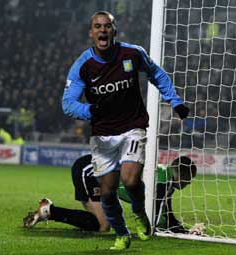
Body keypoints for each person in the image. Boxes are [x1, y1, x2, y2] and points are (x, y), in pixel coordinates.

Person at [61, 11, 190, 250]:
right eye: (98, 27)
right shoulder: (83, 66)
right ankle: (122, 232)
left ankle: (140, 213)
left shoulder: (132, 53)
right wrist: (92, 110)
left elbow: (157, 74)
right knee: (108, 192)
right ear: (91, 33)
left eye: (107, 26)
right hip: (103, 135)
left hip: (133, 127)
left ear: (114, 31)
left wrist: (175, 101)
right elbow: (68, 104)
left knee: (130, 180)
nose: (102, 30)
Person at [23, 155, 204, 234]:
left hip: (95, 172)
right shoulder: (163, 183)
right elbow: (160, 220)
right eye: (189, 179)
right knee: (103, 226)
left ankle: (49, 211)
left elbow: (165, 216)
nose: (189, 184)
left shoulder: (165, 180)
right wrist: (185, 232)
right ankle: (49, 211)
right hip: (90, 171)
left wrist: (184, 230)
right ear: (182, 174)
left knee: (99, 223)